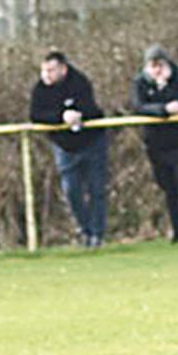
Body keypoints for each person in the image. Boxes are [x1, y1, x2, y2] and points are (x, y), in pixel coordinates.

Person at [28, 50, 109, 246]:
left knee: (97, 190)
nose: (46, 75)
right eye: (44, 70)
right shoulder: (40, 89)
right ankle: (85, 229)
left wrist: (78, 115)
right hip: (64, 146)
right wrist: (61, 116)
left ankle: (97, 234)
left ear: (63, 69)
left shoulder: (79, 82)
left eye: (51, 70)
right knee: (71, 191)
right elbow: (36, 115)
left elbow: (91, 109)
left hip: (92, 142)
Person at [131, 44, 178, 243]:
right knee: (169, 187)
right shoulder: (140, 83)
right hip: (157, 144)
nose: (157, 70)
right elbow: (139, 106)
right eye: (153, 66)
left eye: (160, 65)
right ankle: (176, 230)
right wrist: (164, 108)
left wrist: (165, 88)